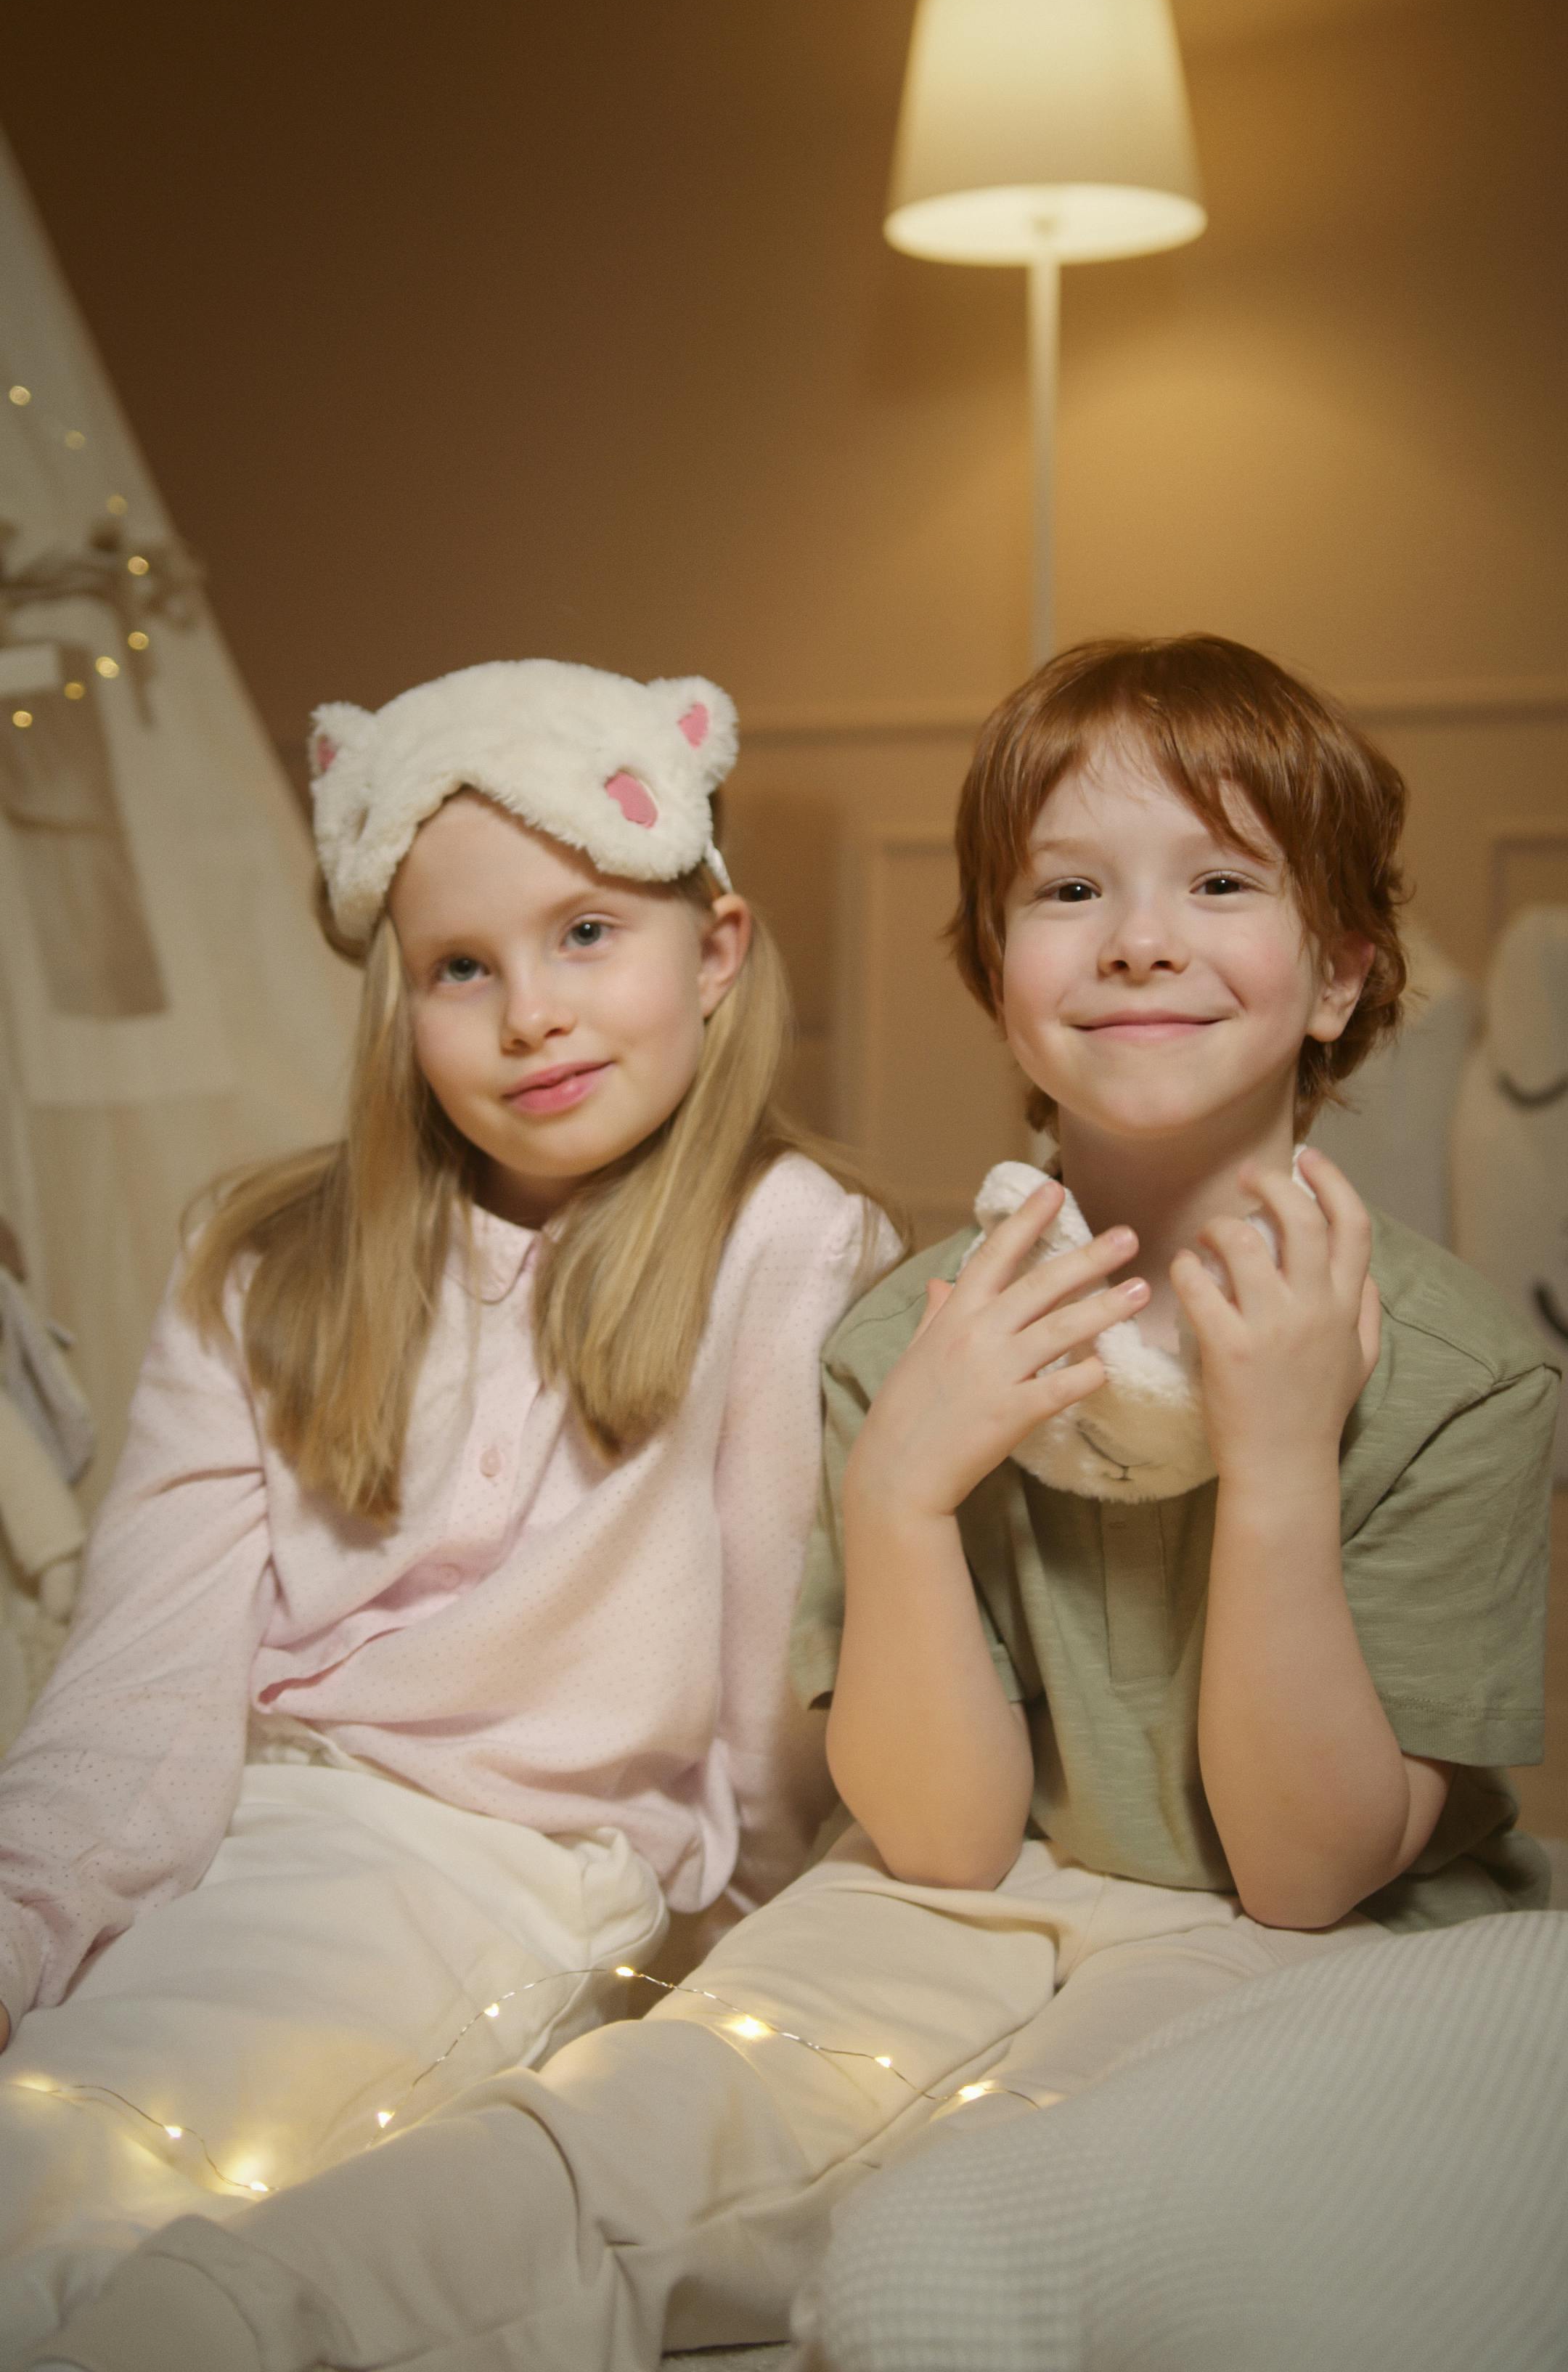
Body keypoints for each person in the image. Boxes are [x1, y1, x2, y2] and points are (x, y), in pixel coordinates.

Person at [29, 636, 1558, 2372]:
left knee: (989, 2230)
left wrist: (1282, 1460)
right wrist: (905, 1487)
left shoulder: (1463, 1378)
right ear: (995, 969)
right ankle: (209, 2317)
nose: (1139, 936)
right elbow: (938, 1842)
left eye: (1217, 882)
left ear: (1344, 972)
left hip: (1264, 1934)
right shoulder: (907, 1330)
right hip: (934, 1897)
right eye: (1071, 890)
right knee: (584, 2159)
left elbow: (1298, 1875)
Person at [0, 657, 892, 2360]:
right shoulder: (262, 1266)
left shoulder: (790, 1244)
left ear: (714, 957)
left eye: (584, 937)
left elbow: (782, 1708)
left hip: (515, 1875)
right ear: (395, 1007)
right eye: (459, 968)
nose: (530, 1013)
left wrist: (743, 1987)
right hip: (240, 1838)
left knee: (121, 2198)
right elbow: (135, 1687)